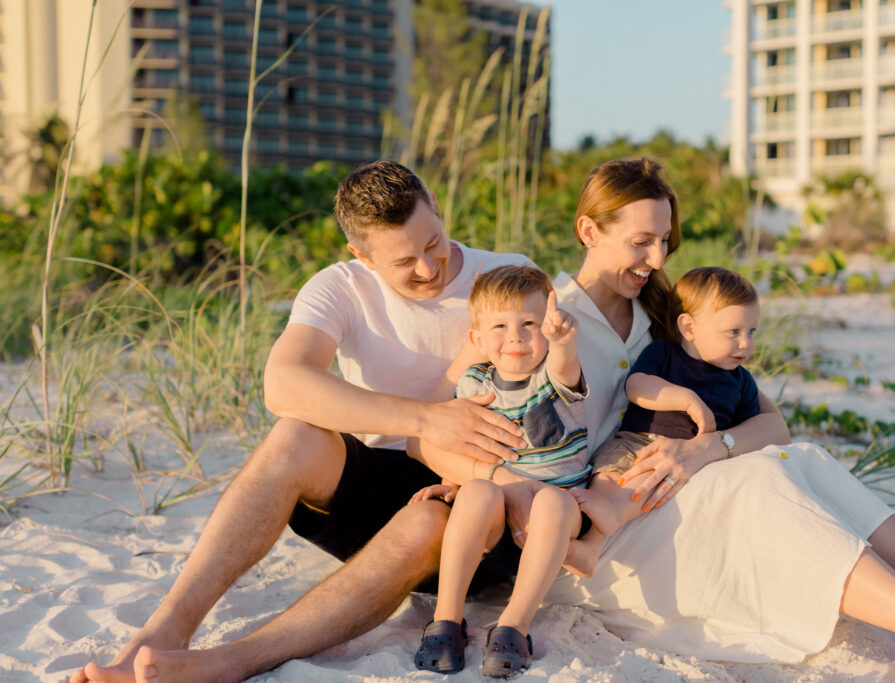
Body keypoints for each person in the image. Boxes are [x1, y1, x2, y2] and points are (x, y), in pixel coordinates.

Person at [536, 157, 895, 681]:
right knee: (759, 479)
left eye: (665, 242)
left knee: (806, 458)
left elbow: (773, 425)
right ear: (588, 230)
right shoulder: (544, 319)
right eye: (641, 241)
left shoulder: (664, 315)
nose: (656, 259)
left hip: (675, 492)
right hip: (600, 532)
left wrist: (707, 447)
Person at [69, 160, 533, 683]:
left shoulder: (506, 276)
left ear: (439, 213)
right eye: (405, 260)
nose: (429, 268)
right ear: (361, 256)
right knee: (295, 434)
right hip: (385, 472)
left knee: (427, 520)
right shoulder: (342, 286)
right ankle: (163, 633)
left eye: (434, 243)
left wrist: (475, 469)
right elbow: (283, 383)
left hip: (483, 495)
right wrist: (426, 419)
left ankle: (232, 662)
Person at [410, 264, 603, 677]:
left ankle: (514, 626)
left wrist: (563, 340)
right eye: (499, 325)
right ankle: (446, 621)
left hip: (559, 512)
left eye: (530, 323)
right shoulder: (474, 384)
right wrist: (450, 483)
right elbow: (456, 442)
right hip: (499, 516)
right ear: (477, 339)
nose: (515, 335)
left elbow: (565, 362)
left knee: (550, 501)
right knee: (476, 492)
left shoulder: (554, 376)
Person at [571, 266, 763, 554]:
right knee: (609, 478)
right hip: (636, 441)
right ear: (689, 327)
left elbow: (754, 428)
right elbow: (636, 386)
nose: (746, 344)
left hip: (691, 459)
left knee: (641, 485)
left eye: (751, 332)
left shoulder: (740, 381)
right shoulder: (665, 353)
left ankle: (610, 522)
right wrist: (685, 399)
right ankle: (591, 545)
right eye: (733, 332)